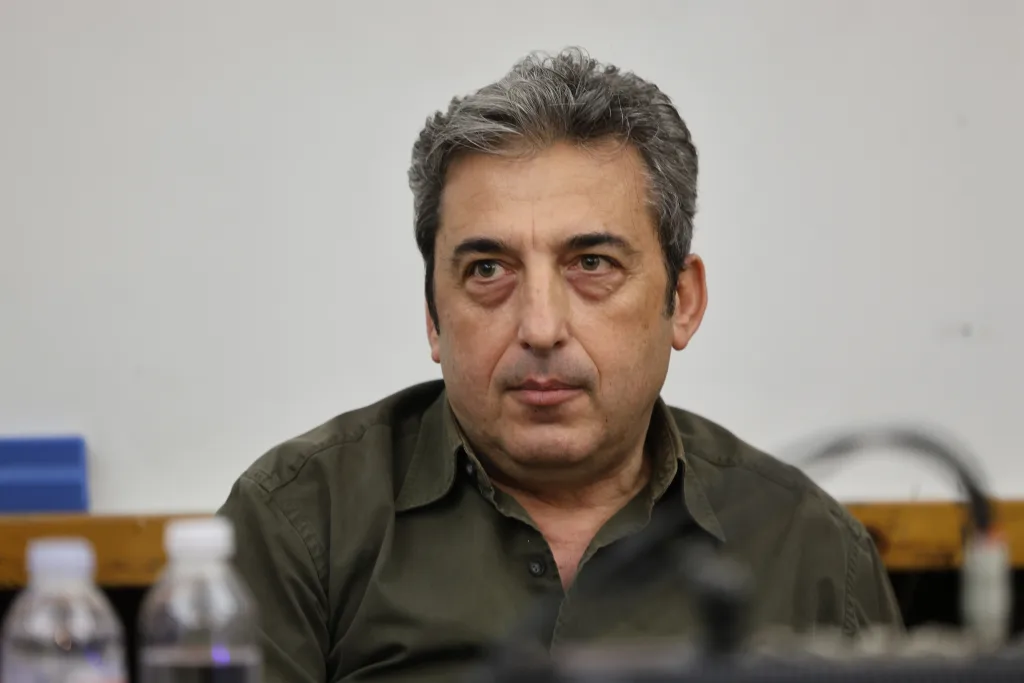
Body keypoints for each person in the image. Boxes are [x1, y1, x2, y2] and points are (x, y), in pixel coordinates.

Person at [218, 48, 902, 683]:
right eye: (489, 270)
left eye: (592, 264)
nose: (540, 328)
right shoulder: (300, 524)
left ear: (683, 302)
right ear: (433, 316)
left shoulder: (809, 551)